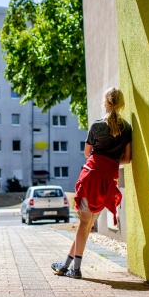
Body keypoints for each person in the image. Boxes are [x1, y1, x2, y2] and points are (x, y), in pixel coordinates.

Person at [51, 86, 132, 279]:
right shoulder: (127, 128)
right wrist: (111, 161)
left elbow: (88, 154)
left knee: (84, 223)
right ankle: (66, 265)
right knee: (86, 224)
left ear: (106, 103)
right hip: (107, 181)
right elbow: (127, 159)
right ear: (121, 104)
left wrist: (102, 159)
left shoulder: (96, 125)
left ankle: (75, 269)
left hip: (91, 178)